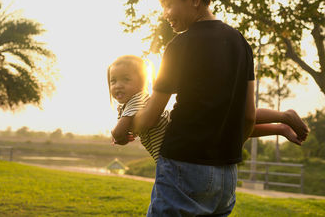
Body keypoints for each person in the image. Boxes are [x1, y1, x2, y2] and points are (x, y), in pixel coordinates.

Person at [112, 0, 309, 216]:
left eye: (169, 4)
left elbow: (151, 116)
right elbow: (247, 115)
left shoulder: (179, 46)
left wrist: (127, 128)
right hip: (226, 176)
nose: (165, 14)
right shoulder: (241, 43)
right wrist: (223, 152)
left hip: (183, 166)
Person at [109, 55, 307, 163]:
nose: (118, 85)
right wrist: (125, 137)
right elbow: (129, 132)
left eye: (126, 80)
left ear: (142, 83)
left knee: (234, 119)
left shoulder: (137, 99)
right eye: (113, 81)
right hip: (183, 140)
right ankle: (280, 127)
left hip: (183, 137)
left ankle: (283, 116)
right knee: (231, 128)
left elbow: (119, 132)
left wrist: (118, 136)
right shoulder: (129, 105)